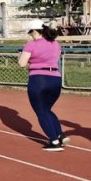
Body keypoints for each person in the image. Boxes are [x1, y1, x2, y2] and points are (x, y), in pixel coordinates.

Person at [18, 19, 67, 151]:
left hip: (39, 80)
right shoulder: (55, 43)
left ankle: (54, 141)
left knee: (41, 111)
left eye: (30, 32)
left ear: (34, 31)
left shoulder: (31, 45)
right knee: (47, 110)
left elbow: (22, 64)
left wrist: (21, 54)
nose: (30, 35)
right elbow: (54, 58)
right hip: (55, 79)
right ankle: (60, 135)